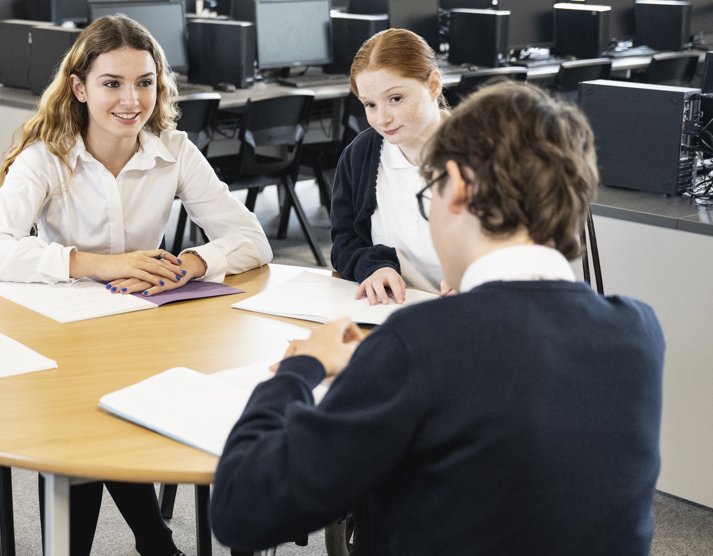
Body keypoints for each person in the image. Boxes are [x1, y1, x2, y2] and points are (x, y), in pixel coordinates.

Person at [210, 81, 664, 556]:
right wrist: (383, 369)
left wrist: (298, 369)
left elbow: (243, 512)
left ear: (459, 189)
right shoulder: (638, 331)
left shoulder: (419, 344)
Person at [0, 15, 272, 556]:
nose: (132, 100)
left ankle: (148, 542)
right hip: (60, 334)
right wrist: (97, 264)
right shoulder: (47, 157)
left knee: (116, 412)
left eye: (145, 82)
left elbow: (251, 238)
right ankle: (151, 542)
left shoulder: (173, 151)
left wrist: (197, 262)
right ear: (80, 88)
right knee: (87, 417)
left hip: (141, 329)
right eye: (112, 83)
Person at [330, 28, 450, 304]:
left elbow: (522, 247)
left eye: (395, 99)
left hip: (472, 311)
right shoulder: (360, 155)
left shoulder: (485, 155)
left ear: (433, 85)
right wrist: (373, 266)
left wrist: (481, 280)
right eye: (370, 104)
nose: (382, 119)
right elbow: (345, 240)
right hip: (392, 308)